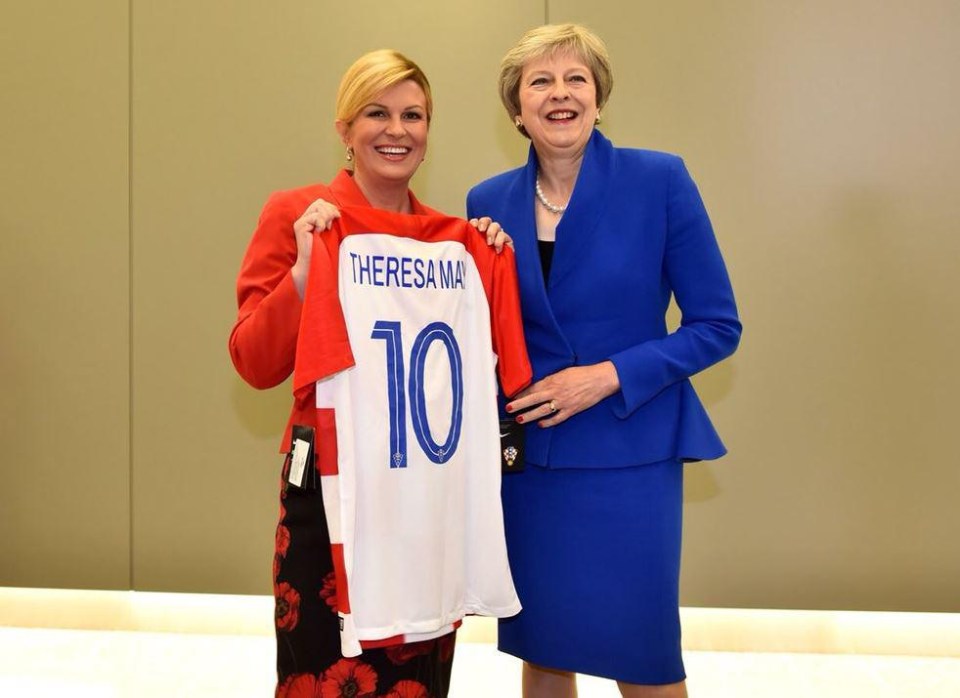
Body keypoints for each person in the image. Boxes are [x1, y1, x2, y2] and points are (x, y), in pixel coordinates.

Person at [228, 49, 519, 698]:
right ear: (344, 129)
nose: (397, 130)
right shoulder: (297, 214)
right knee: (326, 678)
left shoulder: (448, 243)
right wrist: (304, 271)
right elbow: (252, 360)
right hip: (328, 498)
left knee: (416, 680)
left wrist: (488, 259)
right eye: (377, 113)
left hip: (424, 498)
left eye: (413, 115)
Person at [466, 24, 742, 698]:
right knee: (545, 650)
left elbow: (716, 325)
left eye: (575, 80)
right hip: (534, 467)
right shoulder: (486, 202)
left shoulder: (660, 179)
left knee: (643, 657)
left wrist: (608, 376)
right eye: (541, 82)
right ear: (516, 107)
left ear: (598, 96)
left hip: (631, 454)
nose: (560, 94)